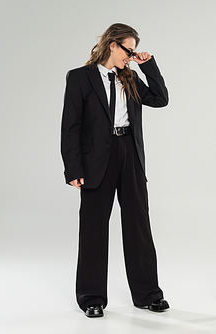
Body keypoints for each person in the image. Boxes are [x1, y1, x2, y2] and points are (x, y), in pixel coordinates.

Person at [61, 23, 169, 317]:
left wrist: (148, 66)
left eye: (134, 51)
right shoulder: (80, 78)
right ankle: (91, 297)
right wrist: (73, 168)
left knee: (138, 225)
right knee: (94, 228)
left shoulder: (131, 77)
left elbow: (160, 99)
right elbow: (70, 127)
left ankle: (148, 294)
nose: (130, 56)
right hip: (97, 159)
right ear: (112, 45)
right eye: (128, 50)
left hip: (129, 154)